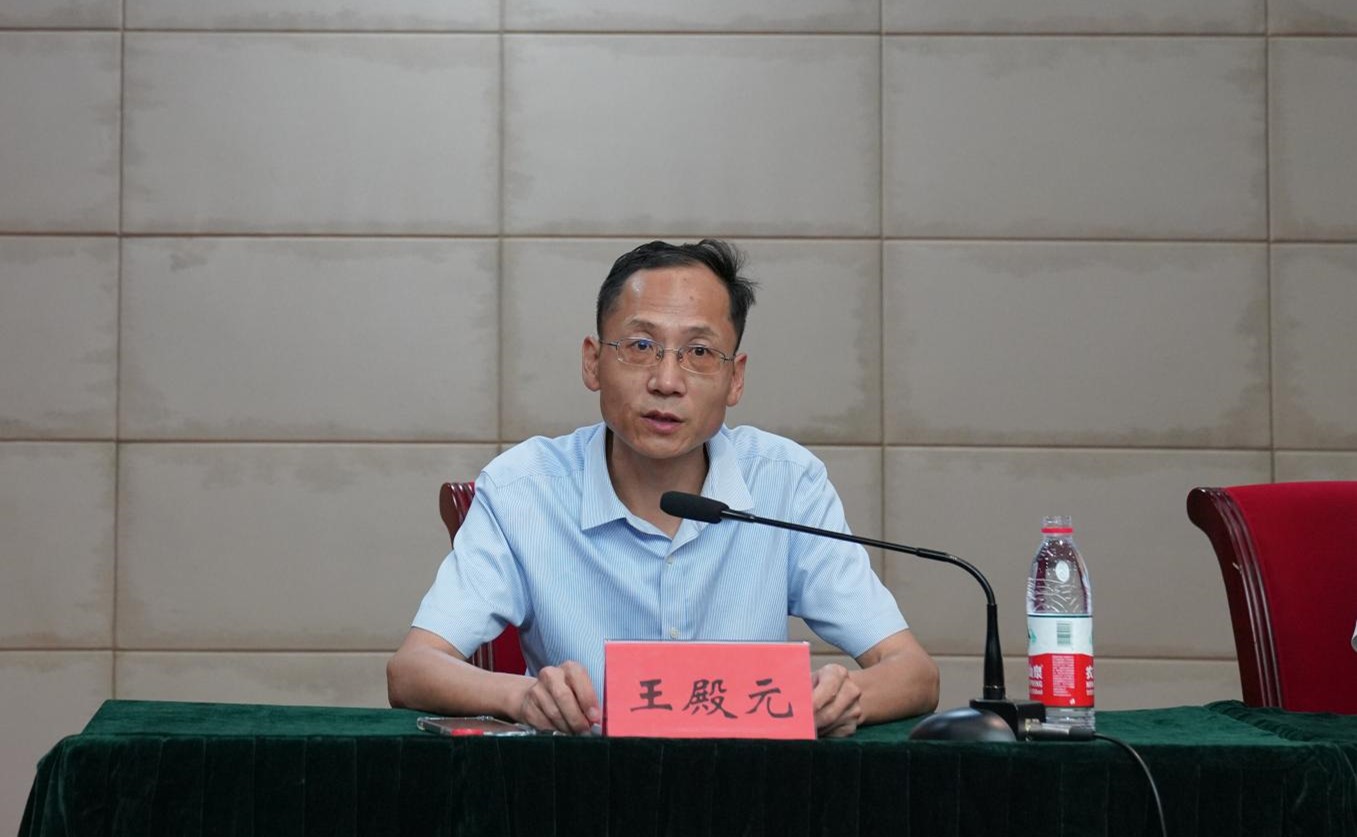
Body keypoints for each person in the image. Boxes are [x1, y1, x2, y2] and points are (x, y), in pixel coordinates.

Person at [387, 239, 938, 737]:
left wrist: (844, 697)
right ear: (593, 362)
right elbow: (412, 669)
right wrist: (523, 696)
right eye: (640, 345)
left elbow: (914, 673)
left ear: (735, 378)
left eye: (699, 353)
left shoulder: (786, 482)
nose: (666, 381)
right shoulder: (523, 490)